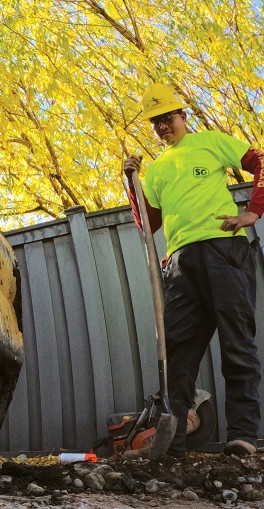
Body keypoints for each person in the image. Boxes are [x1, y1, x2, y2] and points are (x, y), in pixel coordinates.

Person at [123, 82, 263, 456]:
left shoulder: (211, 142)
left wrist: (253, 211)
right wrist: (131, 184)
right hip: (181, 263)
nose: (163, 126)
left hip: (224, 251)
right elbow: (147, 224)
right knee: (177, 354)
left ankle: (243, 436)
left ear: (182, 114)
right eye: (156, 122)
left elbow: (260, 161)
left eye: (167, 117)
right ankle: (173, 441)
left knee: (237, 344)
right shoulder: (157, 169)